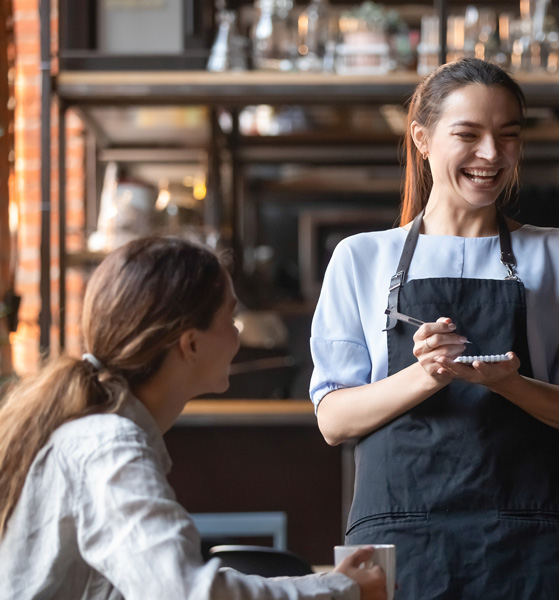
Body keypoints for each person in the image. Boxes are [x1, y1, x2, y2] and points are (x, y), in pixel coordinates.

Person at [309, 58, 559, 599]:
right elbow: (334, 419)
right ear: (423, 140)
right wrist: (429, 374)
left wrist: (508, 384)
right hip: (399, 532)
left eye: (508, 136)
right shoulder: (361, 258)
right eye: (469, 135)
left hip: (530, 531)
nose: (492, 155)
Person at [0, 236, 386, 600]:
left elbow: (183, 577)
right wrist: (340, 592)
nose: (238, 335)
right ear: (191, 343)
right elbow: (187, 592)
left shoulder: (100, 433)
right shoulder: (109, 445)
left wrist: (330, 584)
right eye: (230, 319)